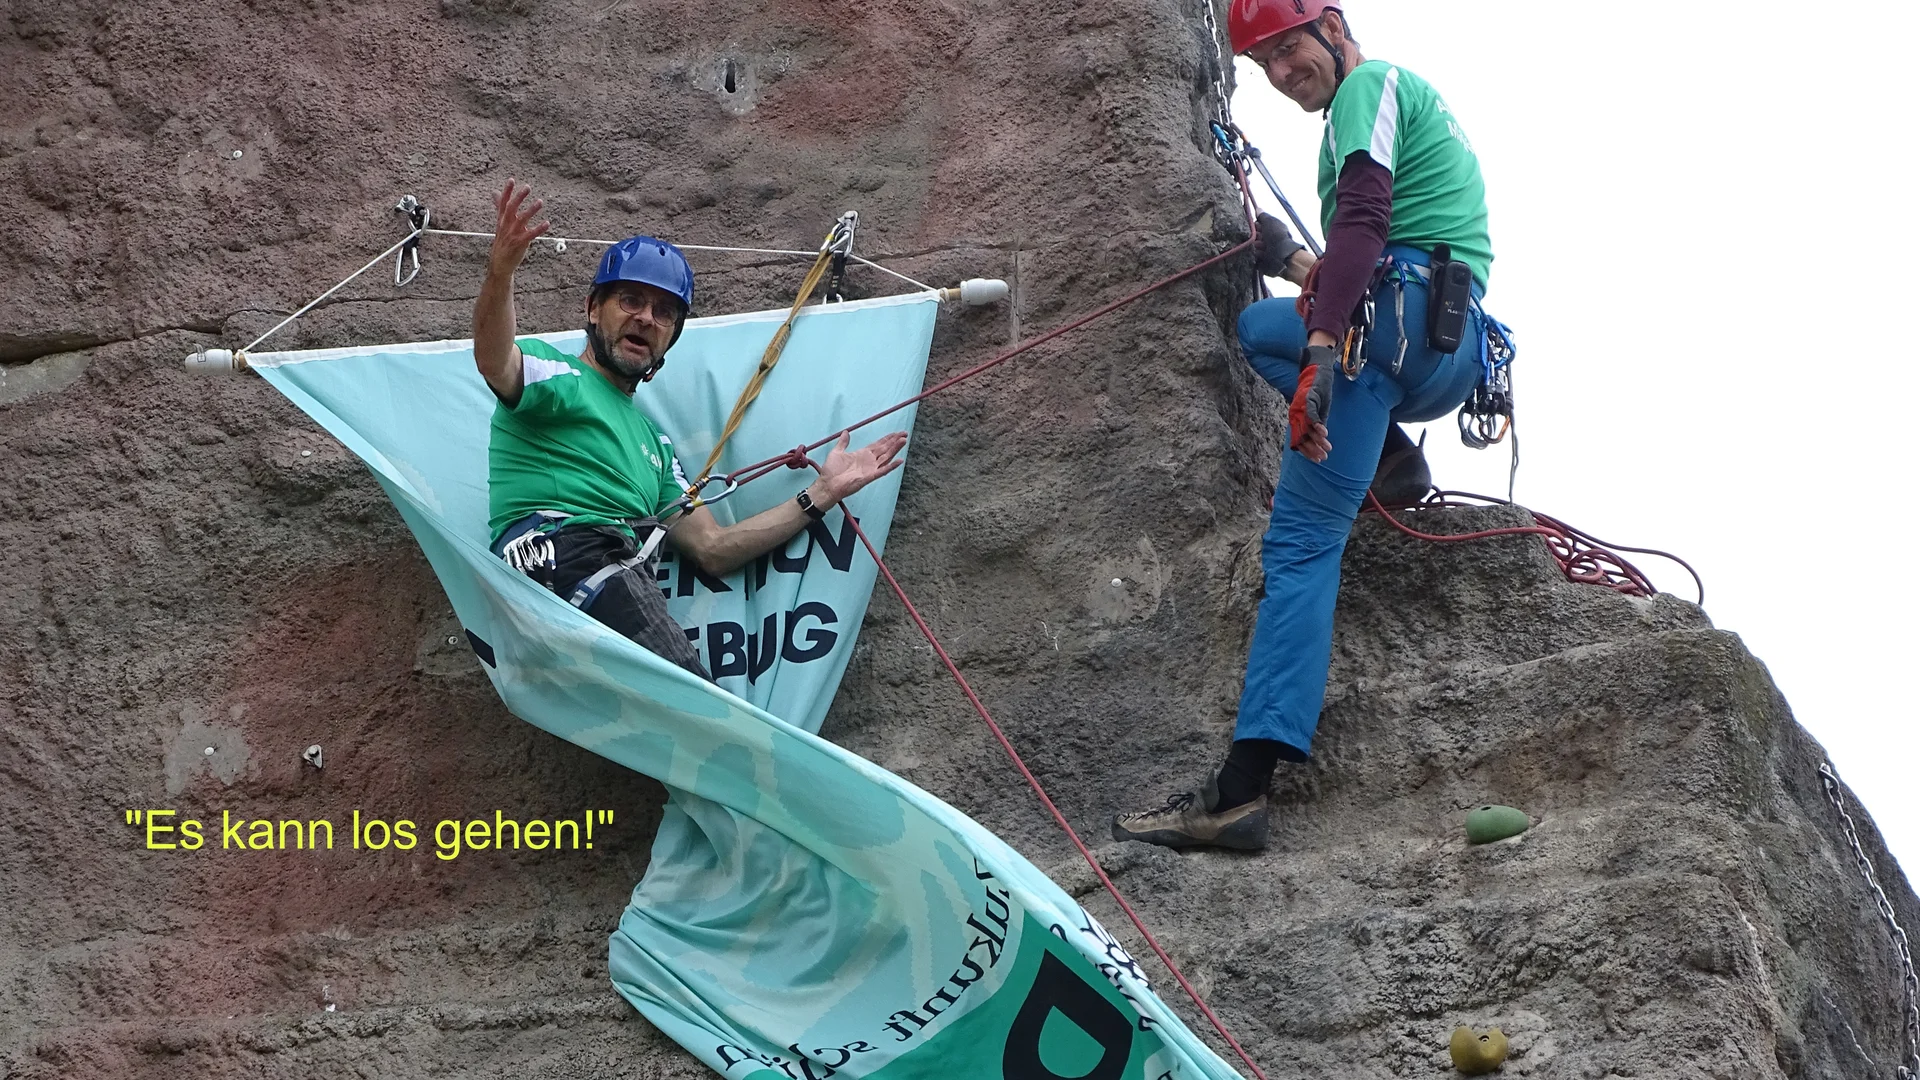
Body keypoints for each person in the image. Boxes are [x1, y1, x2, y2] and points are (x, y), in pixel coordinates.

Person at [1114, 0, 1498, 849]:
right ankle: (1393, 464)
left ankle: (1241, 790)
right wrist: (1288, 260)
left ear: (1331, 26)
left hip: (1392, 332)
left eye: (1289, 50)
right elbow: (1375, 244)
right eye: (1265, 65)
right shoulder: (1394, 108)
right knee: (1259, 327)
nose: (1285, 74)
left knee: (1301, 545)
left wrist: (1323, 354)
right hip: (1440, 344)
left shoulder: (1372, 88)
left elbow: (1366, 223)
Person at [475, 179, 908, 679]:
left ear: (672, 337)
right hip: (552, 555)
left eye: (664, 313)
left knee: (687, 703)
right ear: (593, 309)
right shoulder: (557, 374)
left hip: (609, 573)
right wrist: (501, 271)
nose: (646, 319)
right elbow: (494, 359)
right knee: (695, 705)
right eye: (631, 301)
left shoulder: (656, 447)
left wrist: (821, 493)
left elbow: (712, 549)